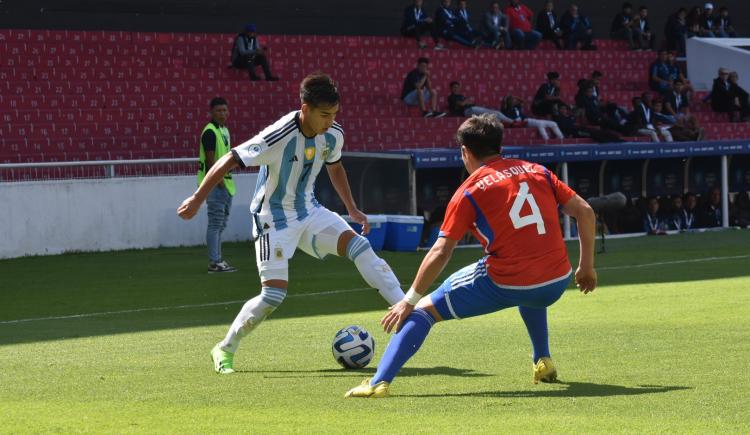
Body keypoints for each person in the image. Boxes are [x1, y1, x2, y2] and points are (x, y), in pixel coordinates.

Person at [344, 114, 597, 398]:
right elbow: (585, 212)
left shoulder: (469, 191)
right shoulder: (539, 170)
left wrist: (408, 300)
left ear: (465, 152)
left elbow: (441, 251)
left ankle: (379, 382)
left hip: (507, 282)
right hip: (556, 282)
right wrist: (585, 267)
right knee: (530, 287)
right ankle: (543, 360)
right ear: (499, 145)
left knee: (423, 311)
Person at [177, 74, 406, 374]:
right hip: (272, 219)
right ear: (305, 108)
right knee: (273, 295)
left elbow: (335, 168)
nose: (330, 121)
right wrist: (197, 199)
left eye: (335, 114)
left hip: (309, 211)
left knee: (360, 247)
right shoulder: (279, 134)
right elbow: (230, 160)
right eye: (324, 115)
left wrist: (352, 208)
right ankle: (224, 348)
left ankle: (408, 313)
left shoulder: (333, 134)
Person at [199, 97, 237, 273]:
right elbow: (210, 158)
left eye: (224, 110)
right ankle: (215, 262)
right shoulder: (210, 132)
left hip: (226, 183)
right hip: (216, 184)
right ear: (212, 112)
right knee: (215, 224)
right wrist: (218, 179)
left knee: (220, 224)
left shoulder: (223, 130)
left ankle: (217, 259)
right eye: (218, 110)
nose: (222, 113)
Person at [447, 81, 512, 122]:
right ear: (451, 88)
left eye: (457, 87)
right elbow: (461, 104)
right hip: (467, 111)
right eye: (454, 87)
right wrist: (466, 101)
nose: (456, 89)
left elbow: (471, 102)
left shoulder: (461, 96)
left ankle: (511, 122)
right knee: (495, 114)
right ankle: (513, 122)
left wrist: (466, 102)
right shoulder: (451, 97)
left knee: (495, 114)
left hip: (473, 108)